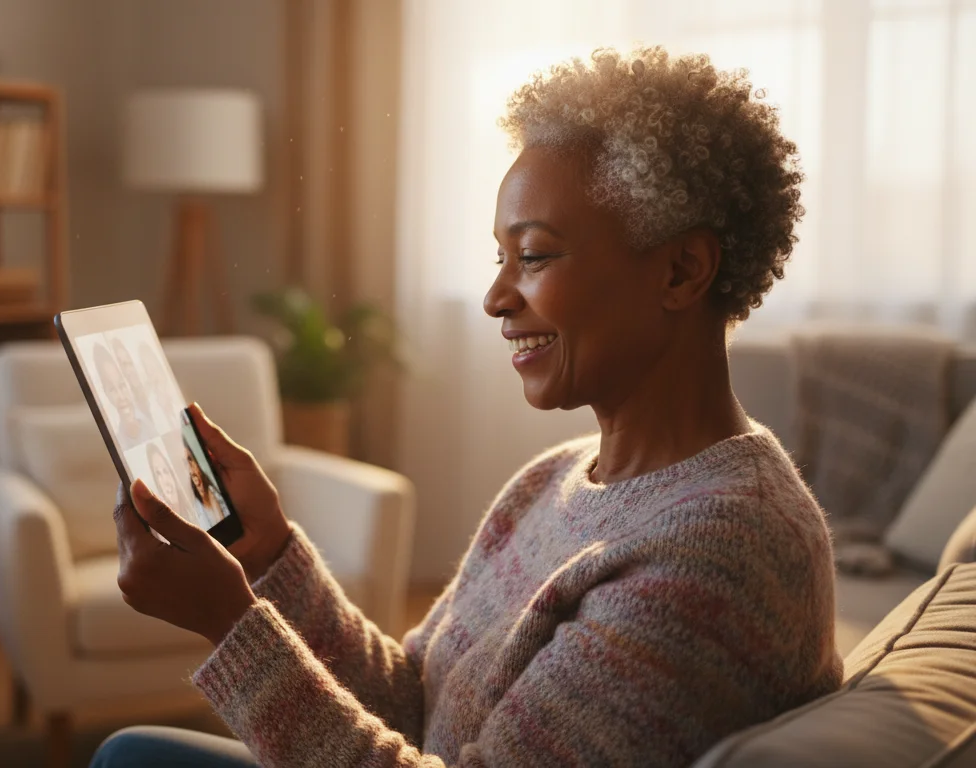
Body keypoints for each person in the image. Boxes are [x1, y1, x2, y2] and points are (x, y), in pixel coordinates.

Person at [93, 46, 842, 768]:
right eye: (499, 258)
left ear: (682, 269)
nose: (495, 298)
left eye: (536, 255)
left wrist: (233, 624)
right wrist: (270, 557)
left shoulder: (720, 550)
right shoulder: (554, 480)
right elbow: (415, 702)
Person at [92, 343, 154, 448]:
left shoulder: (150, 416)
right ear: (105, 393)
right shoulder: (117, 440)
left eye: (122, 385)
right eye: (112, 389)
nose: (121, 397)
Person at [184, 441, 227, 529]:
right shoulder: (194, 506)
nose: (191, 470)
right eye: (185, 464)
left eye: (190, 459)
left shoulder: (212, 492)